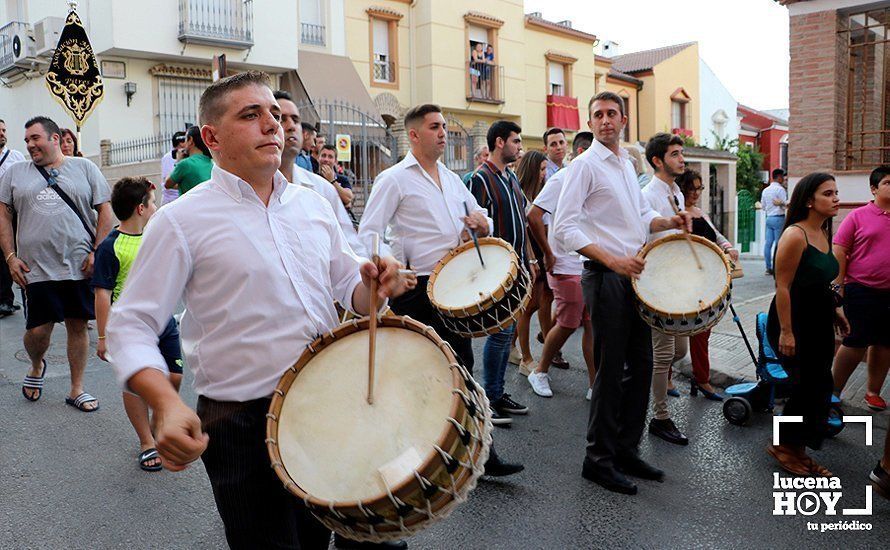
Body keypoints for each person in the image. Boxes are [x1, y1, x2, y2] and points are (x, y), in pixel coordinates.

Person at [106, 71, 415, 550]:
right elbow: (131, 325)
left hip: (327, 399)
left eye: (274, 113)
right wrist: (165, 402)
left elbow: (350, 288)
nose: (273, 124)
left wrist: (375, 282)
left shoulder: (314, 206)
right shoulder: (180, 220)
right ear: (211, 137)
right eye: (250, 115)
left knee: (322, 535)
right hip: (239, 421)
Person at [358, 103, 523, 476]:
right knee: (418, 376)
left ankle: (478, 454)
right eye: (435, 126)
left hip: (453, 287)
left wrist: (483, 223)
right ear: (414, 135)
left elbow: (481, 215)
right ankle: (414, 459)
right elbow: (367, 233)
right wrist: (391, 263)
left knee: (461, 369)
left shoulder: (451, 178)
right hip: (415, 288)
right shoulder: (394, 179)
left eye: (445, 126)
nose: (444, 132)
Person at [552, 92, 690, 495]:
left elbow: (639, 216)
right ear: (590, 122)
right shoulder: (584, 166)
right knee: (611, 372)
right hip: (605, 275)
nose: (606, 120)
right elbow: (565, 228)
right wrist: (612, 261)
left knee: (642, 366)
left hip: (633, 276)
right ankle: (597, 460)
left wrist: (666, 220)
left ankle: (626, 451)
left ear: (624, 119)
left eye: (612, 113)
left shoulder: (627, 163)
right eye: (598, 115)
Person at [0, 116, 113, 410]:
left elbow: (105, 209)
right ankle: (36, 364)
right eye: (26, 140)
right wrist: (10, 257)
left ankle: (77, 389)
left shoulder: (84, 167)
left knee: (78, 325)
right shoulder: (14, 173)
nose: (30, 145)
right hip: (34, 268)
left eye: (35, 138)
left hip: (79, 265)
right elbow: (3, 215)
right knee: (38, 331)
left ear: (54, 138)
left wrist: (97, 251)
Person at [92, 177, 183, 471]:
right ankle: (147, 442)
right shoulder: (110, 246)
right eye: (152, 202)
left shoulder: (155, 235)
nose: (156, 207)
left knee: (175, 376)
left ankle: (160, 416)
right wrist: (104, 337)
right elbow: (102, 294)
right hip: (130, 327)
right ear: (140, 208)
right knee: (135, 383)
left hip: (163, 319)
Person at [766, 172, 847, 477]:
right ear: (809, 200)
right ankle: (784, 446)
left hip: (819, 318)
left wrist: (836, 312)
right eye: (828, 193)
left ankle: (796, 448)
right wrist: (786, 332)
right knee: (805, 386)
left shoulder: (825, 231)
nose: (835, 198)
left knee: (820, 384)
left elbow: (821, 281)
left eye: (836, 192)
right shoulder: (794, 235)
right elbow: (782, 287)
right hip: (793, 320)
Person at [468, 120, 537, 424]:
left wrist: (530, 261)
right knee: (498, 336)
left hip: (517, 267)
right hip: (496, 271)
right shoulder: (481, 179)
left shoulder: (510, 176)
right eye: (515, 141)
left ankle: (496, 393)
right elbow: (474, 229)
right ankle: (488, 399)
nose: (519, 147)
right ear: (499, 143)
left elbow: (522, 222)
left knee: (505, 333)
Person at [527, 131, 596, 399]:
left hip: (589, 263)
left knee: (590, 324)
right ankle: (539, 371)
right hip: (564, 263)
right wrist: (547, 252)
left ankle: (594, 383)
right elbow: (533, 214)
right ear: (581, 154)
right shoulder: (562, 179)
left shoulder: (597, 179)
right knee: (568, 322)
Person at [640, 132, 691, 446]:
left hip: (676, 281)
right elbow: (647, 233)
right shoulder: (647, 195)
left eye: (680, 153)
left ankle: (640, 373)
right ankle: (660, 417)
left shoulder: (677, 192)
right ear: (658, 161)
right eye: (674, 154)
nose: (681, 158)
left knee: (679, 351)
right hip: (657, 282)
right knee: (662, 355)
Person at [274, 90, 365, 258]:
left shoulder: (322, 190)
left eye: (296, 120)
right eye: (280, 118)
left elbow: (351, 250)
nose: (291, 126)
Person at [675, 169, 739, 401]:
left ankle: (698, 377)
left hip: (708, 277)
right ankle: (694, 377)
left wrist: (729, 246)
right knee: (691, 331)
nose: (696, 193)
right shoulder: (677, 215)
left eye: (699, 188)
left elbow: (716, 235)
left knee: (704, 330)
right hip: (688, 280)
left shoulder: (700, 212)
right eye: (691, 188)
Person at [830, 165, 890, 411]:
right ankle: (832, 391)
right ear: (874, 188)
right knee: (855, 342)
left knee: (885, 343)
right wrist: (838, 289)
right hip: (861, 289)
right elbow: (840, 251)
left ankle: (872, 392)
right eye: (887, 182)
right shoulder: (858, 216)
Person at [512, 150, 554, 375]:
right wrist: (531, 258)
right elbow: (524, 229)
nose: (544, 173)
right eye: (541, 169)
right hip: (530, 253)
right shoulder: (520, 194)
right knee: (527, 308)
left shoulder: (539, 192)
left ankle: (512, 347)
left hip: (539, 250)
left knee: (535, 304)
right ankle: (526, 358)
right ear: (531, 170)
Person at [0, 118, 26, 317]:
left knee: (9, 254)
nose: (2, 133)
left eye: (3, 130)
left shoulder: (16, 156)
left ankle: (6, 299)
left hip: (11, 213)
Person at [164, 125, 212, 197]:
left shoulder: (185, 164)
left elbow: (167, 184)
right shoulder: (211, 162)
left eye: (185, 139)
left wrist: (178, 161)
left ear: (190, 140)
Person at [762, 168, 788, 275]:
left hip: (769, 218)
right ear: (779, 177)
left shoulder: (765, 190)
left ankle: (768, 267)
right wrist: (781, 203)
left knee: (768, 244)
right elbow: (785, 204)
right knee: (779, 244)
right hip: (779, 218)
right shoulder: (780, 190)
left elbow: (763, 206)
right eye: (783, 177)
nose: (784, 179)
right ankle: (777, 267)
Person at [318, 143, 355, 208]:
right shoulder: (314, 177)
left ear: (335, 161)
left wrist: (332, 181)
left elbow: (348, 198)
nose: (326, 159)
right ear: (319, 158)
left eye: (330, 157)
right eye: (323, 155)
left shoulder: (342, 179)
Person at [160, 131, 187, 205]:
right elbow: (168, 182)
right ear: (181, 143)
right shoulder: (168, 158)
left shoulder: (187, 156)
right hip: (171, 200)